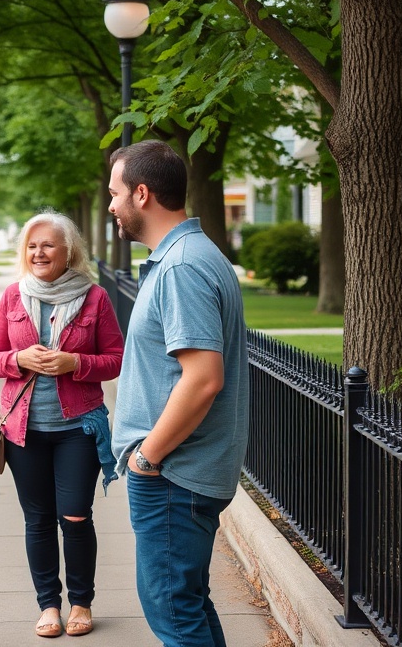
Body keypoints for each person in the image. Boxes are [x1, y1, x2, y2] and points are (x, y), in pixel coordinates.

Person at [107, 140, 249, 647]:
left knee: (172, 610)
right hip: (181, 474)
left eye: (115, 193)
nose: (110, 205)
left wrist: (147, 458)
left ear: (142, 194)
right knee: (186, 602)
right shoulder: (186, 256)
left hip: (173, 475)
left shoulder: (181, 267)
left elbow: (204, 378)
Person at [0, 211, 124, 639]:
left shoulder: (95, 297)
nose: (38, 252)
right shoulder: (12, 297)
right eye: (32, 245)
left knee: (76, 516)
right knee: (38, 519)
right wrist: (18, 359)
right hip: (24, 430)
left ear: (69, 251)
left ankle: (81, 601)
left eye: (48, 244)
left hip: (79, 427)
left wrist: (74, 362)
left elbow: (116, 359)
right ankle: (48, 604)